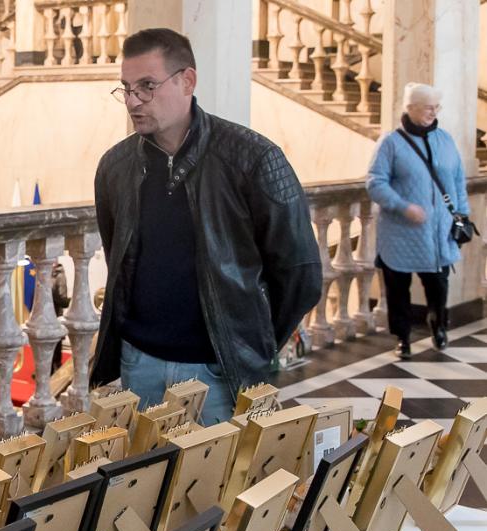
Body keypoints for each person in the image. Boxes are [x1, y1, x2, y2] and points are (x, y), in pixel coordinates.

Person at [90, 28, 321, 425]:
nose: (132, 101)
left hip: (219, 371)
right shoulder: (115, 167)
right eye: (126, 88)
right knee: (146, 469)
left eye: (147, 86)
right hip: (139, 365)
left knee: (222, 469)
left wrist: (249, 344)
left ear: (187, 81)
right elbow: (119, 261)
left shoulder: (253, 158)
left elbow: (300, 273)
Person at [367, 82, 467, 358]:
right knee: (398, 289)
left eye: (436, 107)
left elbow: (458, 180)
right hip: (399, 232)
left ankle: (438, 326)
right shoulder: (390, 143)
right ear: (410, 108)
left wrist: (462, 213)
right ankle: (403, 337)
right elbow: (375, 183)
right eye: (427, 107)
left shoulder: (445, 140)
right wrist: (403, 206)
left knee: (438, 285)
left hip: (438, 232)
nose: (433, 112)